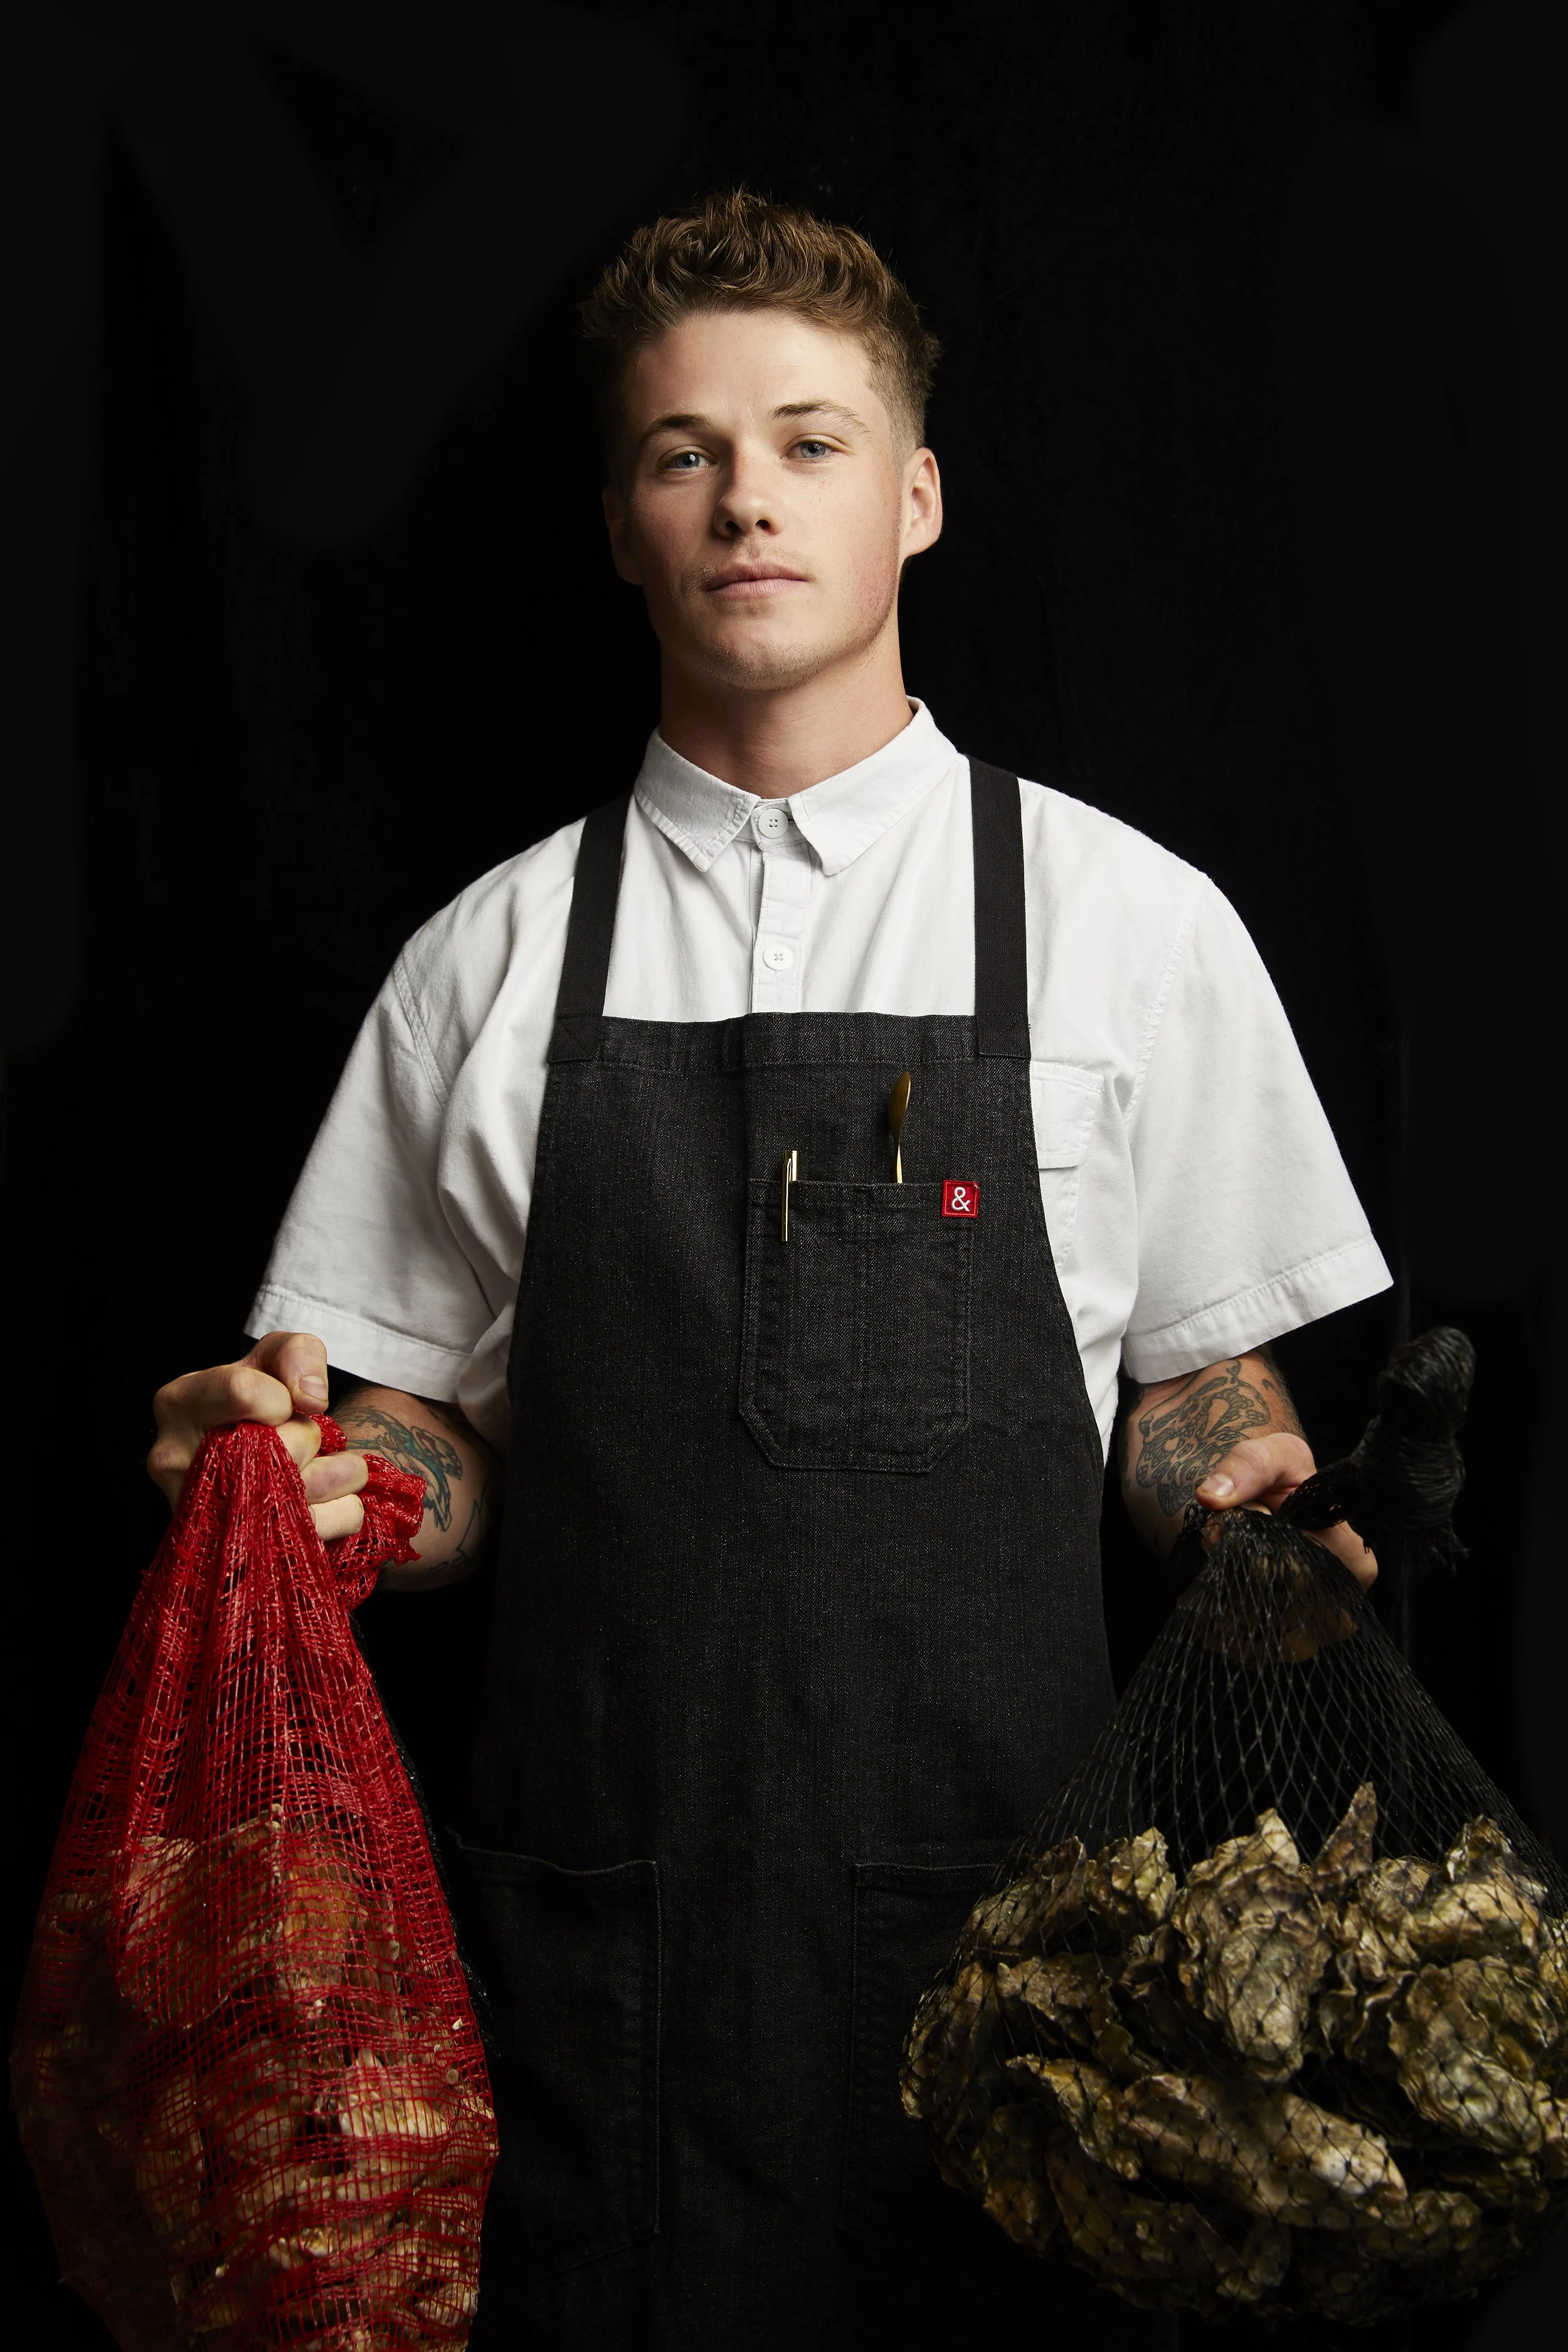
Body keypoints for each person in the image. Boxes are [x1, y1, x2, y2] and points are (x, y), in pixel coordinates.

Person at [148, 191, 1391, 2346]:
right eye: (681, 453)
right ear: (621, 526)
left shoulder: (1130, 923)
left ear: (913, 498)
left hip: (1029, 1971)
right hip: (600, 1975)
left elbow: (1193, 1389)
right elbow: (427, 1446)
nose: (747, 500)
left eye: (810, 443)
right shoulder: (489, 959)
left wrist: (1247, 1492)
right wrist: (303, 1485)